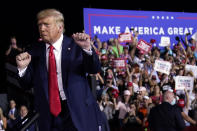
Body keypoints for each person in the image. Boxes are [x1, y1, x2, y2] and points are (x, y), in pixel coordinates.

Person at [16, 9, 108, 131]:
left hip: (77, 111)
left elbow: (94, 69)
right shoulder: (34, 51)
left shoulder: (76, 46)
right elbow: (26, 84)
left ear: (60, 27)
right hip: (49, 116)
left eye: (46, 25)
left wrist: (87, 49)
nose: (42, 29)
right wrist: (22, 68)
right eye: (40, 25)